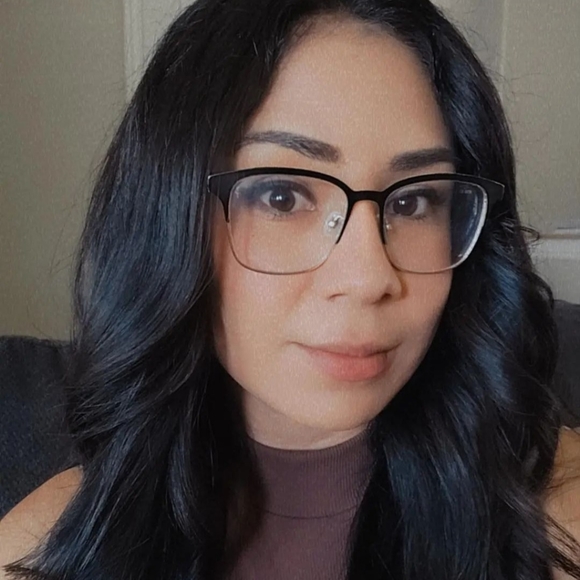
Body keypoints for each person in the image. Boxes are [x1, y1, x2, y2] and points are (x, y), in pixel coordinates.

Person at [1, 0, 580, 578]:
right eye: (282, 197)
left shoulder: (557, 522)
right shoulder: (46, 550)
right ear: (169, 216)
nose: (368, 278)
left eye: (414, 201)